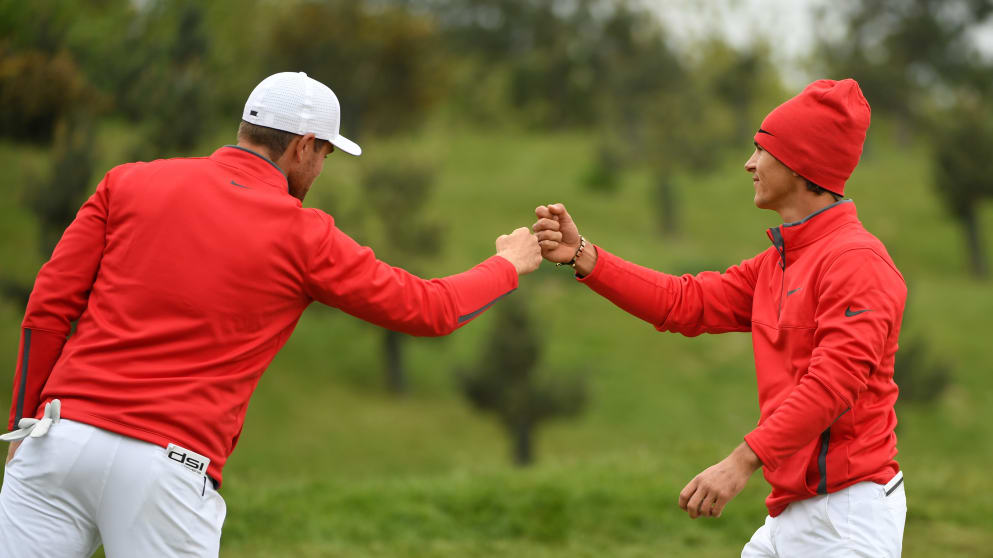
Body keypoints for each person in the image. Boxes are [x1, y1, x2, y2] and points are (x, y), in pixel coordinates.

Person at [0, 71, 541, 557]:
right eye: (325, 154)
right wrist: (508, 265)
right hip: (167, 467)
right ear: (303, 146)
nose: (321, 168)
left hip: (59, 438)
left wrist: (21, 424)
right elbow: (433, 309)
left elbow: (48, 307)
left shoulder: (127, 182)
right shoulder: (304, 235)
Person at [533, 79, 907, 557]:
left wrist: (741, 462)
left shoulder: (857, 263)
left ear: (800, 164)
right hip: (792, 512)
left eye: (761, 150)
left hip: (847, 520)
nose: (749, 164)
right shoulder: (780, 260)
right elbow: (682, 303)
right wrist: (583, 256)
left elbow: (832, 385)